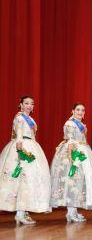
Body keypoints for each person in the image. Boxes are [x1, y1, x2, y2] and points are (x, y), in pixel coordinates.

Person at [0, 96, 51, 225]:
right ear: (21, 105)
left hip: (31, 145)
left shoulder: (31, 119)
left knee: (29, 180)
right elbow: (18, 135)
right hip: (22, 146)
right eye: (26, 103)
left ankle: (21, 213)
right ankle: (20, 213)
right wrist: (20, 153)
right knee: (21, 179)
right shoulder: (19, 117)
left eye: (32, 104)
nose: (29, 106)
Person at [50, 103, 92, 222]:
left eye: (83, 110)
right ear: (72, 111)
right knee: (72, 182)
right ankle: (70, 213)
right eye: (78, 110)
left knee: (78, 182)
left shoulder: (81, 124)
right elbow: (70, 141)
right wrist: (71, 157)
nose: (80, 112)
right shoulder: (70, 123)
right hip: (73, 153)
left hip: (82, 151)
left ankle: (74, 211)